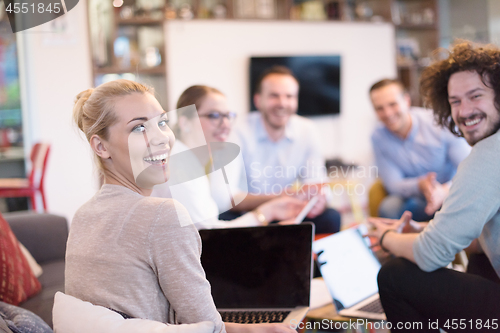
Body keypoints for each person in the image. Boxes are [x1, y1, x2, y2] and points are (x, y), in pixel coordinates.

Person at [65, 79, 295, 333]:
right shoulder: (163, 214)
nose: (162, 138)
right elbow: (209, 329)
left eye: (162, 123)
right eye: (139, 128)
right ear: (100, 146)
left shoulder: (82, 215)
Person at [369, 42, 500, 332]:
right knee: (479, 258)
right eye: (455, 101)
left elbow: (431, 256)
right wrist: (426, 230)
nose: (464, 111)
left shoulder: (489, 154)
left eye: (475, 96)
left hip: (440, 194)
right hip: (424, 199)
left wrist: (388, 238)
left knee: (395, 274)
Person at [151, 85, 305, 229]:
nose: (226, 124)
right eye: (214, 115)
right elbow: (209, 235)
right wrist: (266, 213)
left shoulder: (190, 161)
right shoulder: (179, 166)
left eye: (228, 116)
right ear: (185, 123)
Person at [234, 66, 341, 234]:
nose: (282, 103)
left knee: (332, 217)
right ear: (257, 100)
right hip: (249, 215)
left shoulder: (307, 130)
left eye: (289, 96)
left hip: (288, 211)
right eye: (274, 96)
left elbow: (317, 181)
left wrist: (319, 201)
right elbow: (230, 198)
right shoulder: (237, 131)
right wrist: (276, 199)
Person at [370, 79, 470, 221]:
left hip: (451, 191)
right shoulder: (378, 137)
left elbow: (469, 169)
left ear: (406, 100)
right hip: (414, 196)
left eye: (393, 104)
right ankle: (398, 242)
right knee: (389, 208)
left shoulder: (439, 123)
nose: (388, 113)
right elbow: (393, 184)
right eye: (379, 108)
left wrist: (444, 191)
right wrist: (420, 185)